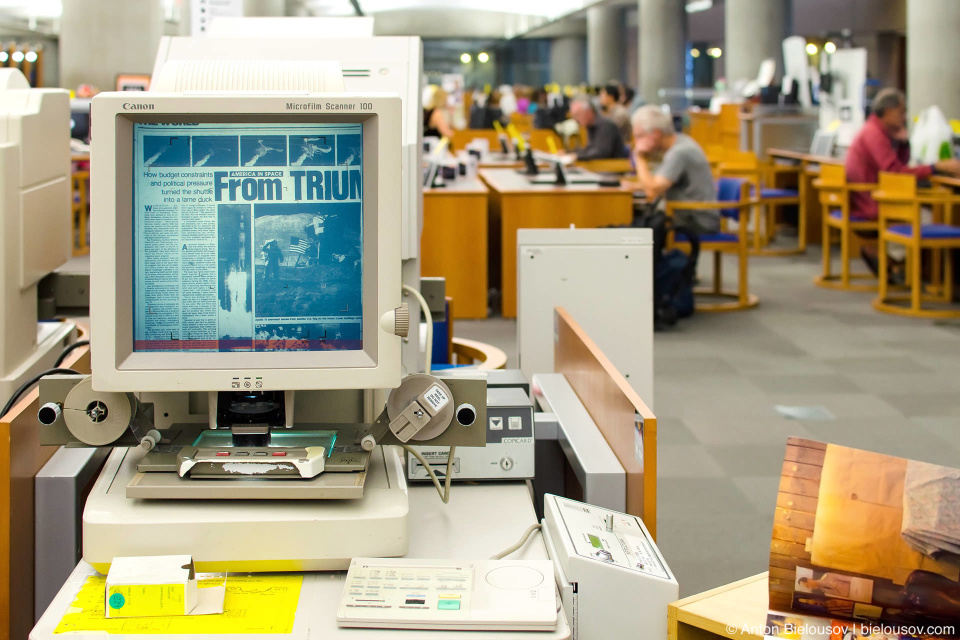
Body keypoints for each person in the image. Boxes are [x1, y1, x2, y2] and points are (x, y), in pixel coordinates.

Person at [846, 88, 960, 272]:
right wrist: (935, 167)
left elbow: (899, 164)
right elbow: (894, 172)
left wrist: (903, 142)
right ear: (889, 111)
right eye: (902, 112)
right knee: (934, 217)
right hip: (873, 202)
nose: (904, 117)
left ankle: (896, 263)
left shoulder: (874, 130)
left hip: (872, 197)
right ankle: (894, 262)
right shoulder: (874, 134)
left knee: (929, 211)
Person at [622, 105, 718, 235]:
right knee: (639, 222)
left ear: (655, 134)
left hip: (697, 220)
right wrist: (634, 186)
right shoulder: (678, 144)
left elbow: (652, 190)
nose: (637, 143)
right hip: (685, 214)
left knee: (640, 229)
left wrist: (640, 157)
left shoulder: (679, 152)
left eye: (640, 136)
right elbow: (657, 182)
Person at [569, 95, 629, 161]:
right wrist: (569, 153)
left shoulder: (605, 126)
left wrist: (577, 156)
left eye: (577, 115)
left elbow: (601, 153)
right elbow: (589, 150)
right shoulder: (591, 126)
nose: (575, 119)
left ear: (588, 112)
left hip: (612, 167)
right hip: (601, 167)